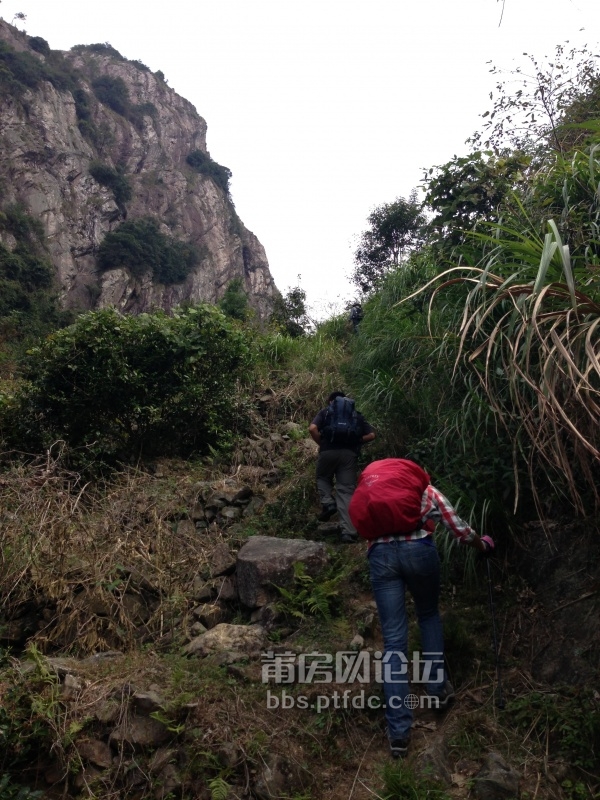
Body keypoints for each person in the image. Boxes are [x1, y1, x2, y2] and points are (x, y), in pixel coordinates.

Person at [349, 458, 494, 759]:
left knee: (393, 642)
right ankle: (437, 690)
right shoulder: (425, 491)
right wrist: (483, 545)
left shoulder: (373, 496)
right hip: (419, 551)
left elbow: (362, 529)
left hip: (381, 556)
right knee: (428, 616)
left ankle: (399, 734)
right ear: (412, 475)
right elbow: (460, 530)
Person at [308, 392, 376, 543]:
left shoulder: (326, 412)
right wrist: (356, 441)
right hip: (349, 456)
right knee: (345, 491)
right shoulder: (356, 415)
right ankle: (348, 532)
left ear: (331, 401)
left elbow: (312, 428)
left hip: (327, 452)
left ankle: (328, 503)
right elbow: (371, 435)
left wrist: (323, 444)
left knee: (322, 477)